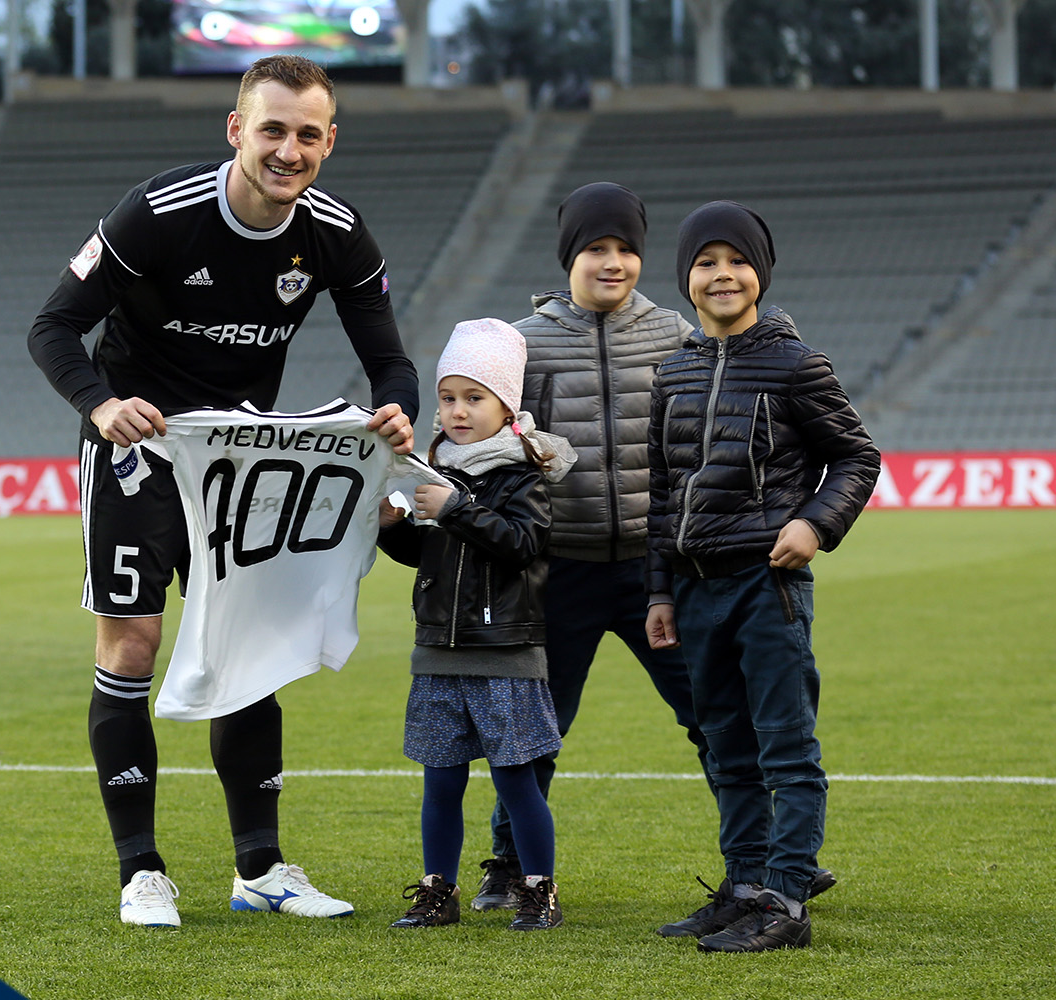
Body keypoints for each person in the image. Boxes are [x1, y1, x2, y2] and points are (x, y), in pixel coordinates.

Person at [26, 54, 418, 928]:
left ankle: (260, 868)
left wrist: (397, 410)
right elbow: (53, 326)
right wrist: (100, 405)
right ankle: (142, 872)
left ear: (329, 142)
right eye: (272, 128)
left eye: (307, 134)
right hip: (140, 452)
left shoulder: (336, 232)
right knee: (131, 646)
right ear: (236, 129)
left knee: (249, 648)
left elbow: (388, 359)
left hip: (239, 466)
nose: (289, 149)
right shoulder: (157, 213)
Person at [644, 201, 880, 953]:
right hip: (694, 587)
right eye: (705, 263)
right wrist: (658, 588)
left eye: (736, 261)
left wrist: (815, 524)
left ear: (760, 273)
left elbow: (856, 456)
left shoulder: (794, 362)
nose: (722, 275)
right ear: (686, 277)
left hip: (766, 583)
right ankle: (743, 886)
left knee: (785, 746)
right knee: (724, 744)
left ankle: (786, 898)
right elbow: (660, 492)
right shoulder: (673, 370)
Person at [471, 181, 713, 910]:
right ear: (570, 255)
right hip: (559, 568)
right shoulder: (522, 342)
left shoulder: (675, 334)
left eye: (626, 249)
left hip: (656, 570)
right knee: (537, 729)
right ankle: (508, 864)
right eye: (597, 249)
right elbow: (482, 444)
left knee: (712, 712)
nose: (613, 263)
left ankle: (766, 857)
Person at [375, 319, 577, 932]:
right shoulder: (432, 466)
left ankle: (538, 890)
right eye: (447, 397)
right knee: (440, 785)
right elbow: (430, 556)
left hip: (505, 652)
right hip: (438, 649)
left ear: (506, 405)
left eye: (474, 397)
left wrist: (458, 509)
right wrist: (394, 528)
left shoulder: (524, 474)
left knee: (517, 784)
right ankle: (439, 892)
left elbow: (523, 544)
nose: (458, 411)